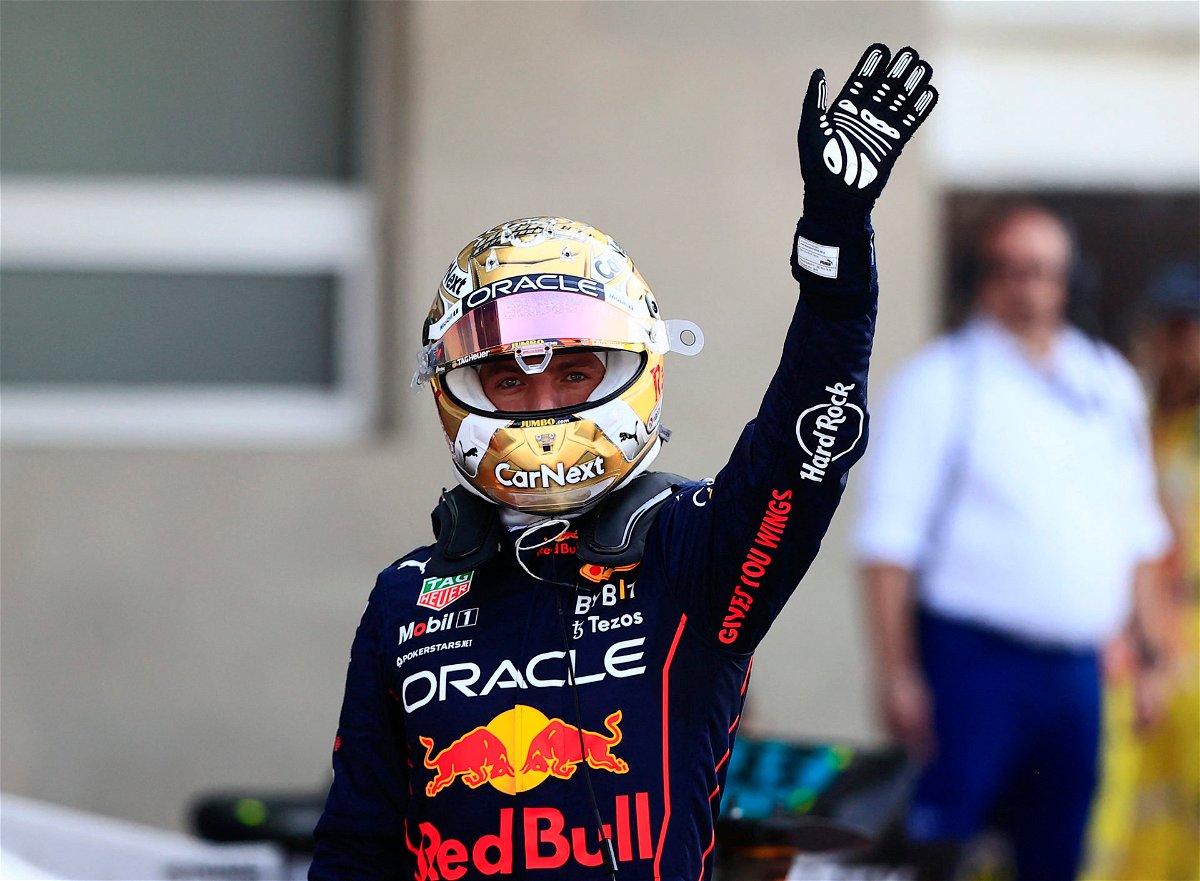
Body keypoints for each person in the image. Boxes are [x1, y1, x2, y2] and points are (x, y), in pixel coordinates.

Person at [309, 43, 938, 881]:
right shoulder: (404, 598)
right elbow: (357, 848)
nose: (542, 405)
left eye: (574, 372)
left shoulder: (692, 555)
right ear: (454, 387)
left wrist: (833, 254)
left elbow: (799, 449)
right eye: (506, 378)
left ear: (640, 368)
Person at [854, 204, 1174, 881]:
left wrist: (1153, 652)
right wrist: (897, 670)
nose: (1026, 287)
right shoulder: (941, 381)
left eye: (1043, 271)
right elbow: (889, 542)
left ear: (1069, 281)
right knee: (937, 850)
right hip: (970, 660)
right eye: (1009, 270)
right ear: (982, 277)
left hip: (1077, 668)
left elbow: (1139, 530)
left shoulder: (1108, 382)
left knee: (1057, 852)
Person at [1085, 262, 1199, 881]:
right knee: (1124, 803)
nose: (1179, 347)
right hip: (1140, 634)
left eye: (1190, 331)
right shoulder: (1129, 417)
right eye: (1170, 331)